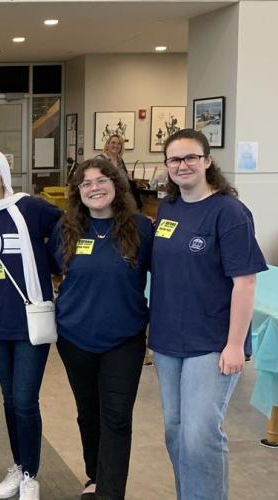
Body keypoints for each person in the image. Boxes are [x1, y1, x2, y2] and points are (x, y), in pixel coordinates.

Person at [149, 128, 267, 500]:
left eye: (190, 158)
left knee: (200, 434)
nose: (182, 166)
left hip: (212, 342)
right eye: (174, 159)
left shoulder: (229, 212)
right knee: (176, 430)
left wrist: (235, 345)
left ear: (207, 161)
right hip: (168, 340)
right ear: (166, 165)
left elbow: (245, 283)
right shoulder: (167, 207)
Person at [47, 158, 153, 500]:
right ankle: (95, 477)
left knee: (117, 417)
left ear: (116, 184)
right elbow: (49, 271)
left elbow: (166, 278)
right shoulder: (66, 229)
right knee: (88, 414)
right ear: (78, 192)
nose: (94, 187)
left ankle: (110, 492)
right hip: (75, 338)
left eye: (101, 180)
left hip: (125, 339)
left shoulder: (141, 228)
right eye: (86, 183)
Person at [0, 149, 61, 500]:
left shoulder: (30, 208)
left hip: (30, 322)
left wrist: (53, 268)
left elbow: (67, 226)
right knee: (8, 400)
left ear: (4, 177)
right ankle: (19, 464)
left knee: (24, 400)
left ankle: (30, 475)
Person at [96, 134, 143, 209]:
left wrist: (128, 178)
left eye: (119, 144)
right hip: (107, 201)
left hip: (123, 199)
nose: (116, 145)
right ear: (107, 145)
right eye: (113, 143)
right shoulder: (100, 160)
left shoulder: (120, 161)